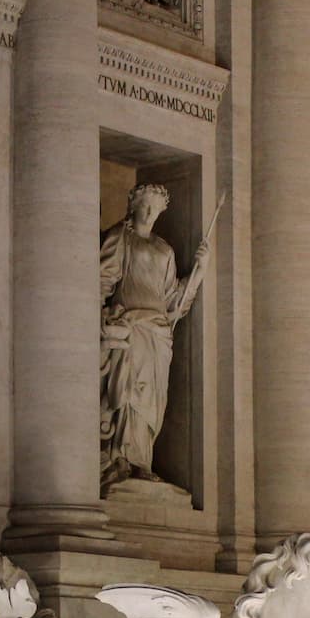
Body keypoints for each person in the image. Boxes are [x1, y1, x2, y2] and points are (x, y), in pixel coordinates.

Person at [97, 182, 207, 489]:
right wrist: (99, 320)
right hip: (130, 327)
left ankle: (141, 460)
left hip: (158, 334)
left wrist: (199, 271)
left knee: (151, 401)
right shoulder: (121, 238)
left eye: (155, 208)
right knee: (129, 392)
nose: (149, 212)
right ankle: (120, 457)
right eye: (144, 205)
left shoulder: (164, 250)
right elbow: (102, 280)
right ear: (132, 204)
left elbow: (174, 301)